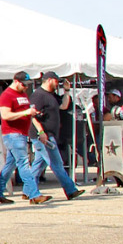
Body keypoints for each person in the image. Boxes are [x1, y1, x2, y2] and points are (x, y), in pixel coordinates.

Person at [0, 72, 52, 205]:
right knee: (23, 163)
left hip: (21, 133)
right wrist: (26, 112)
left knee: (10, 165)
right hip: (12, 134)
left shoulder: (22, 94)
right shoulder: (6, 95)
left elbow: (27, 112)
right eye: (24, 84)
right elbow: (5, 115)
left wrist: (34, 118)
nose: (26, 87)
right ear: (16, 81)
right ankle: (34, 194)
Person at [29, 72, 83, 200]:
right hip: (42, 135)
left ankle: (28, 190)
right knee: (56, 163)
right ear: (49, 80)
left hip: (50, 134)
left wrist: (67, 91)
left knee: (38, 165)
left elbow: (64, 106)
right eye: (56, 81)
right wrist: (41, 132)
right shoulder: (38, 95)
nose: (57, 83)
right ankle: (70, 190)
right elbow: (32, 116)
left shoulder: (51, 95)